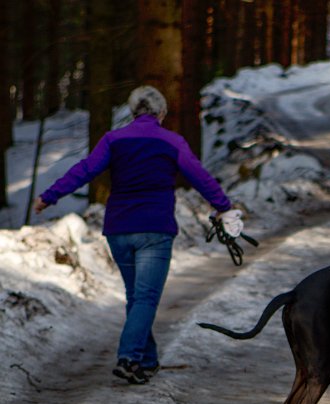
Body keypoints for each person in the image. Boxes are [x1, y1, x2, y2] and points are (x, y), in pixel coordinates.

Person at [34, 85, 244, 385]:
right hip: (155, 230)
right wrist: (224, 206)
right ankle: (129, 357)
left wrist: (49, 196)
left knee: (137, 298)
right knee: (144, 297)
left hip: (119, 229)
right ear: (162, 113)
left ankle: (147, 361)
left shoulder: (113, 139)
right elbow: (199, 175)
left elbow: (84, 170)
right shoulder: (172, 141)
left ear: (133, 112)